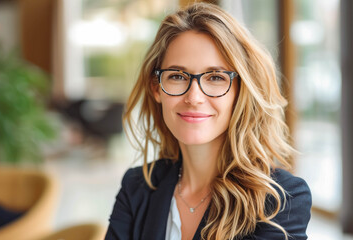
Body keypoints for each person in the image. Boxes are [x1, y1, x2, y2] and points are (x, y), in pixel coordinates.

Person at [105, 2, 311, 240]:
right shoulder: (137, 186)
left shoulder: (280, 199)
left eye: (215, 77)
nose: (194, 97)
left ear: (240, 90)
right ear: (156, 88)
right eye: (177, 76)